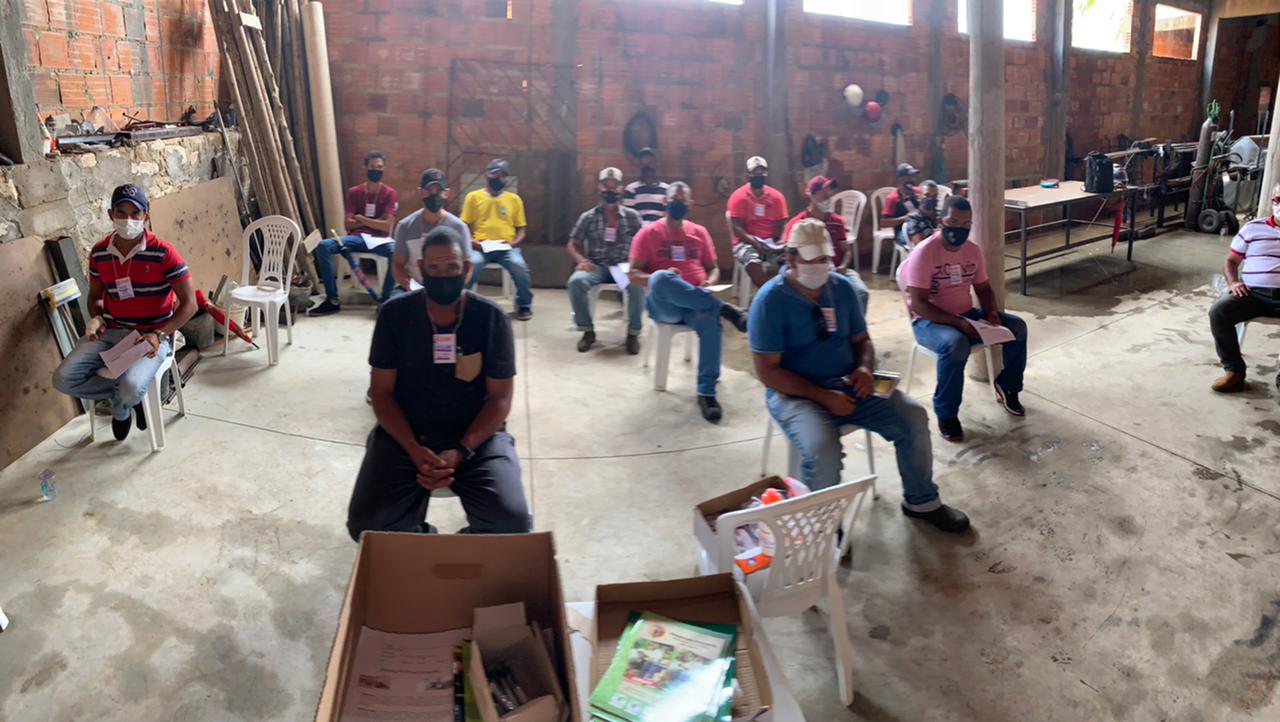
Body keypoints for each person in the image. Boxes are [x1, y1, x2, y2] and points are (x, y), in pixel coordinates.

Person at [749, 218, 969, 533]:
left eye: (824, 258)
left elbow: (862, 341)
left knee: (913, 416)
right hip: (795, 394)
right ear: (790, 258)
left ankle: (921, 501)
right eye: (810, 259)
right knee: (821, 448)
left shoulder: (841, 289)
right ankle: (823, 531)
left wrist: (864, 368)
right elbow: (767, 372)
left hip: (848, 382)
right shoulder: (770, 301)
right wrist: (823, 396)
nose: (818, 266)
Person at [347, 226, 531, 540]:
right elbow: (382, 392)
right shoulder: (395, 315)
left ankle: (456, 547)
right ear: (420, 269)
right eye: (434, 268)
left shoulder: (490, 319)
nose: (443, 276)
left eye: (452, 268)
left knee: (512, 524)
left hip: (476, 437)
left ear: (467, 268)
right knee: (366, 527)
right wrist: (413, 448)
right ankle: (423, 540)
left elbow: (500, 399)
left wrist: (461, 450)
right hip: (406, 432)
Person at [52, 184, 197, 441]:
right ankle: (129, 399)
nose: (127, 220)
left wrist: (159, 334)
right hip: (112, 332)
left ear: (146, 216)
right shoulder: (99, 253)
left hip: (150, 338)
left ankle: (121, 409)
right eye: (121, 212)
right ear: (111, 214)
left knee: (131, 384)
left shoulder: (163, 252)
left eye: (135, 213)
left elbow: (190, 304)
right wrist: (97, 318)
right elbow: (95, 297)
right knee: (63, 379)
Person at [901, 197, 1029, 442]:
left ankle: (1008, 386)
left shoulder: (972, 251)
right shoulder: (924, 252)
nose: (958, 229)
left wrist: (991, 313)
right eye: (953, 222)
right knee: (955, 344)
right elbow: (919, 304)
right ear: (941, 221)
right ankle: (946, 413)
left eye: (965, 224)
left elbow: (983, 288)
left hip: (967, 314)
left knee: (1017, 327)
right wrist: (958, 324)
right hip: (929, 321)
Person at [629, 182, 749, 422]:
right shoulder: (648, 232)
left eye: (683, 201)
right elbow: (633, 274)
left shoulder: (699, 232)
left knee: (710, 324)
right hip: (666, 307)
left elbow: (713, 268)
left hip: (696, 302)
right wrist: (659, 277)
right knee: (661, 278)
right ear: (665, 201)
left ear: (690, 205)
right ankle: (723, 308)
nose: (678, 204)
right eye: (674, 200)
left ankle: (707, 393)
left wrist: (709, 282)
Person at [1209, 183, 1280, 392]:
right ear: (1272, 202)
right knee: (1219, 311)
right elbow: (1231, 261)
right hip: (1252, 294)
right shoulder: (1253, 228)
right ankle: (1234, 371)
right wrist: (1233, 282)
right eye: (1278, 200)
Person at [310, 151, 400, 315]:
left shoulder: (390, 193)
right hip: (357, 238)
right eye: (372, 167)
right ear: (365, 168)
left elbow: (387, 227)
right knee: (323, 246)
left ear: (384, 168)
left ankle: (385, 300)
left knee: (397, 252)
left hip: (381, 240)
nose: (376, 170)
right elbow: (347, 224)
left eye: (379, 167)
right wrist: (376, 221)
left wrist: (361, 218)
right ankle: (332, 299)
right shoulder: (354, 192)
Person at [567, 167, 644, 354]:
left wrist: (636, 264)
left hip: (622, 266)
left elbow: (644, 242)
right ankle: (587, 331)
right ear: (599, 188)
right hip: (597, 265)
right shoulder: (588, 217)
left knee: (637, 285)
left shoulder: (632, 216)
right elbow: (572, 243)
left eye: (614, 187)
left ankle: (633, 333)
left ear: (621, 189)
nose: (610, 191)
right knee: (575, 282)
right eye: (606, 186)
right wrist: (581, 260)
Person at [782, 175, 869, 313]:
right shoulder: (796, 224)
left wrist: (843, 266)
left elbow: (847, 250)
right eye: (823, 196)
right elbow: (789, 256)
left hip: (836, 271)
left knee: (861, 292)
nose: (828, 200)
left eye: (829, 196)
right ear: (812, 196)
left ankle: (853, 323)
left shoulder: (838, 221)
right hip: (809, 271)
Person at [460, 158, 534, 320]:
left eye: (502, 176)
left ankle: (524, 304)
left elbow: (521, 229)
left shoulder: (514, 200)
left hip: (507, 248)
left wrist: (514, 243)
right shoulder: (473, 197)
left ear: (506, 178)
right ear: (487, 174)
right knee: (471, 265)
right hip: (480, 247)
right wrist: (472, 242)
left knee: (519, 266)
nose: (498, 178)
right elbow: (463, 225)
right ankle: (462, 303)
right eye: (495, 174)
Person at [391, 168, 473, 293]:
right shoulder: (405, 226)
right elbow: (398, 266)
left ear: (446, 193)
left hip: (449, 288)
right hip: (413, 288)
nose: (433, 195)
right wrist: (410, 287)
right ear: (420, 192)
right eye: (428, 190)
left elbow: (467, 266)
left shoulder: (459, 227)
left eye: (439, 190)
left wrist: (454, 289)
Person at [729, 156, 789, 289]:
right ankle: (769, 292)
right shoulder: (739, 197)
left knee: (792, 258)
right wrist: (755, 243)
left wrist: (781, 241)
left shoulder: (777, 197)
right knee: (752, 262)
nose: (759, 175)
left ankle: (786, 290)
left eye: (762, 172)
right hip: (746, 242)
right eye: (755, 173)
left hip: (772, 242)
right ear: (747, 174)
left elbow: (783, 223)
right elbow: (737, 227)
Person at [622, 147, 669, 224]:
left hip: (660, 228)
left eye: (650, 163)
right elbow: (629, 216)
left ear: (656, 164)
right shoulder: (631, 189)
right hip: (639, 229)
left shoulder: (667, 189)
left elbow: (668, 215)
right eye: (644, 164)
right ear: (639, 166)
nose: (647, 166)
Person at [880, 162, 921, 232]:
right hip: (904, 231)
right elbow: (884, 223)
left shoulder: (919, 192)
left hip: (922, 227)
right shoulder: (893, 198)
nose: (912, 179)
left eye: (913, 176)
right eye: (908, 177)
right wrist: (904, 218)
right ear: (900, 180)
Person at [899, 180, 940, 250]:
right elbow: (921, 248)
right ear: (919, 197)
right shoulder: (914, 220)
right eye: (927, 195)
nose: (931, 199)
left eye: (934, 196)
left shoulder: (941, 217)